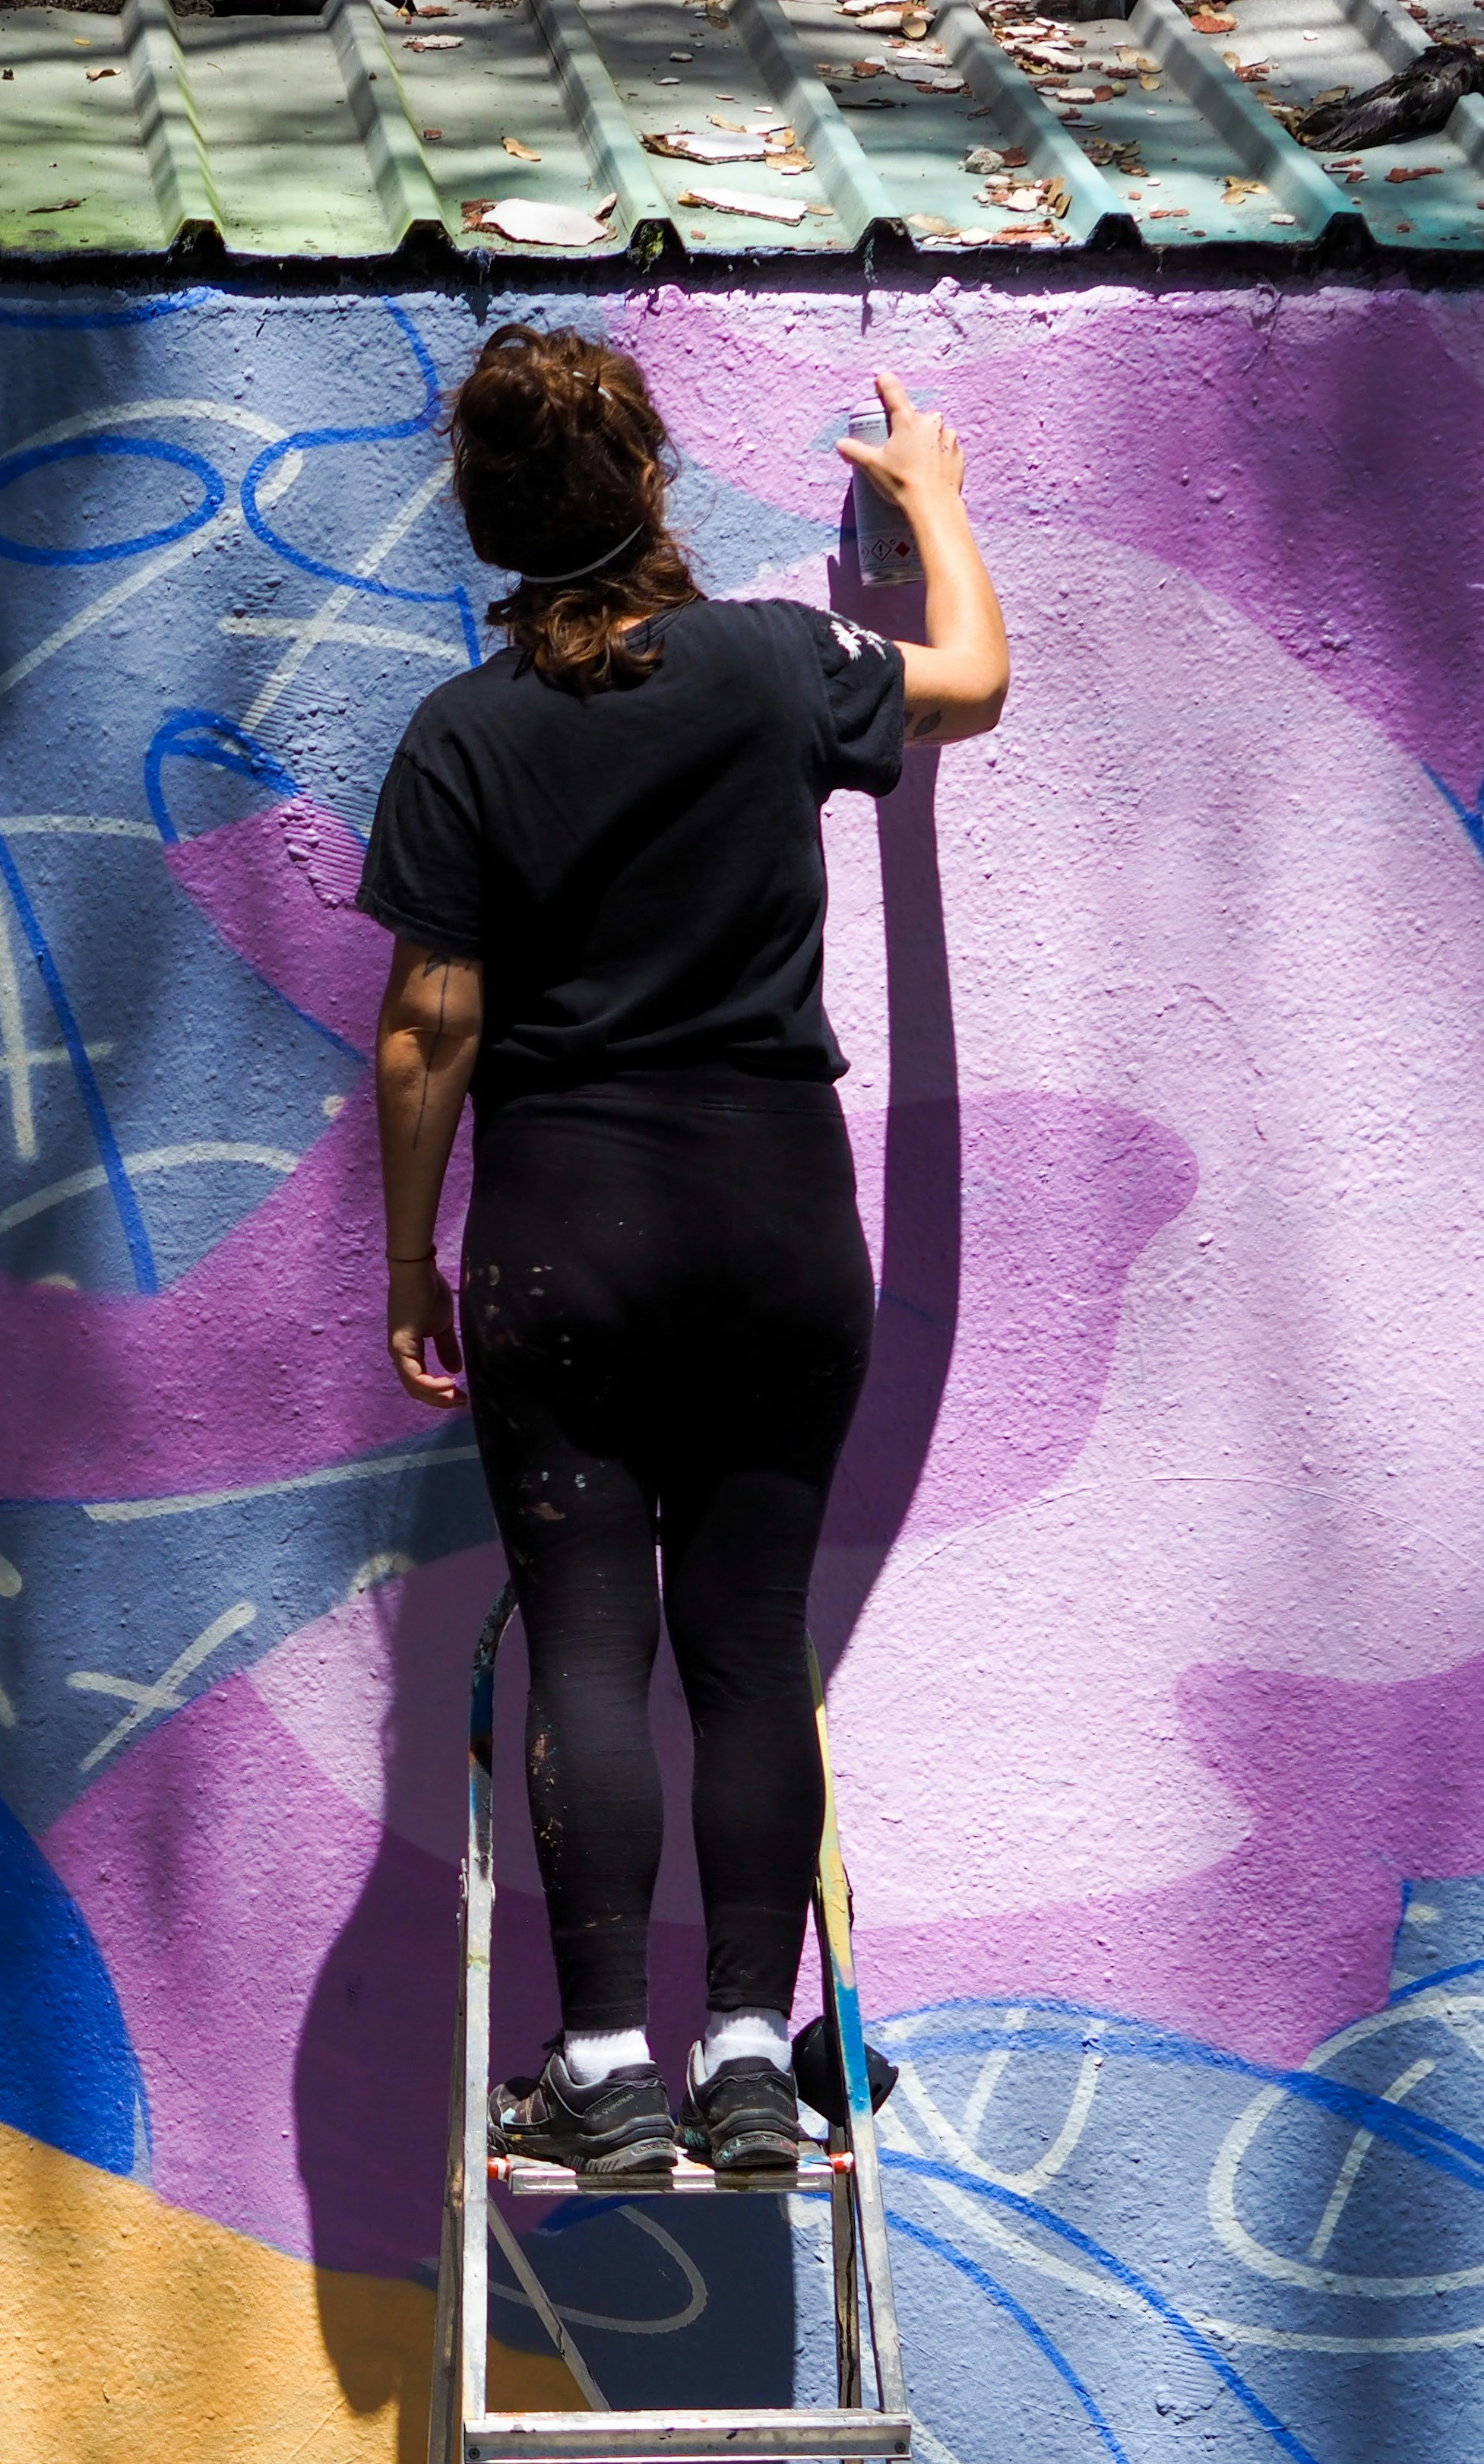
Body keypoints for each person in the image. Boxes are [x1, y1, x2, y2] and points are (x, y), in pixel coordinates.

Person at [356, 328, 1008, 2176]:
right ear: (651, 485)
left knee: (587, 1641)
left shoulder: (465, 736)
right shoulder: (777, 667)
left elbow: (430, 1026)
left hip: (573, 1241)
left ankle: (601, 2065)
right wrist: (937, 502)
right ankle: (740, 2052)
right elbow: (971, 680)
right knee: (746, 1642)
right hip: (786, 1231)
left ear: (484, 521)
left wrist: (412, 1259)